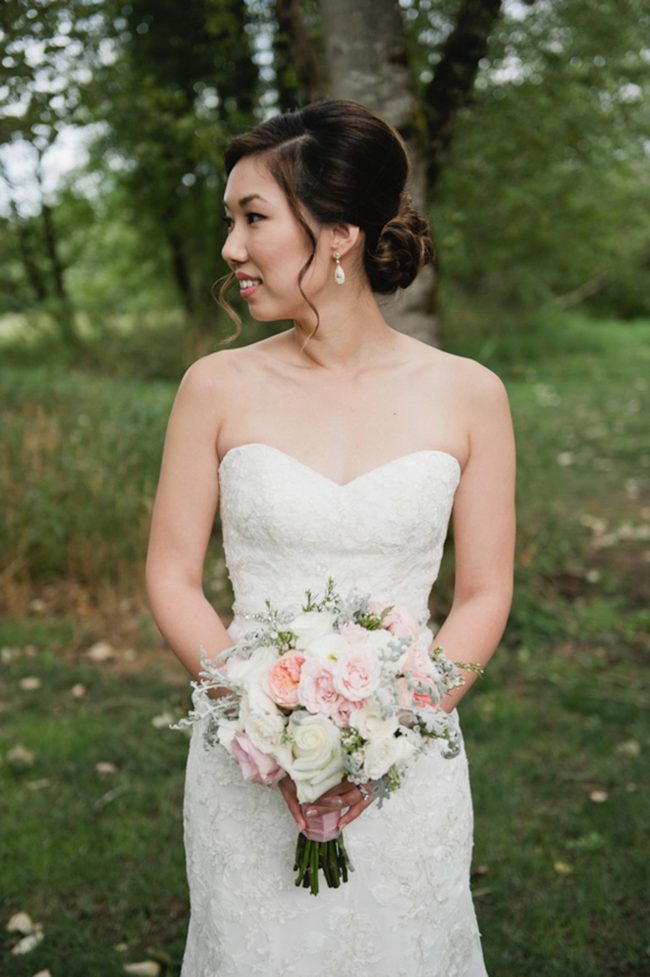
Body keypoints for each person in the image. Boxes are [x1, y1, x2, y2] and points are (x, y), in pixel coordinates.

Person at [146, 99, 515, 977]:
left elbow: (484, 592)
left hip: (408, 766)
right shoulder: (214, 387)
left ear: (339, 232)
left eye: (253, 218)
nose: (232, 247)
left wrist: (394, 728)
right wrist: (260, 724)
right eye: (230, 221)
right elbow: (171, 576)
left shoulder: (470, 394)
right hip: (245, 765)